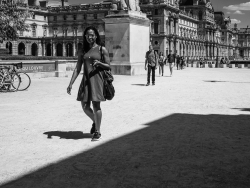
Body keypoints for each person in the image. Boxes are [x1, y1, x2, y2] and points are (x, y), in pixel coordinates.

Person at [67, 26, 110, 141]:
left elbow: (108, 66)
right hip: (86, 80)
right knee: (85, 107)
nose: (90, 37)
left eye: (92, 35)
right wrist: (71, 83)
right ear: (85, 36)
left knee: (96, 106)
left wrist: (100, 64)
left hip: (97, 80)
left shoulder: (102, 49)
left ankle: (98, 131)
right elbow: (77, 68)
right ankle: (96, 122)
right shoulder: (82, 51)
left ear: (96, 36)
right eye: (87, 35)